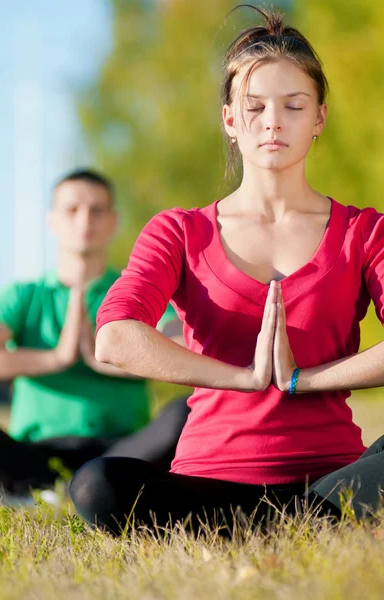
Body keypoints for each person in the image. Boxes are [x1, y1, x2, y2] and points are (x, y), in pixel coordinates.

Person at [70, 6, 384, 536]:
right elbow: (115, 337)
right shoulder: (180, 230)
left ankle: (294, 520)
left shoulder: (364, 231)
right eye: (255, 106)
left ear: (319, 119)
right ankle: (297, 526)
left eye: (294, 105)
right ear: (230, 120)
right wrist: (244, 379)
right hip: (210, 482)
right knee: (96, 484)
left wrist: (300, 380)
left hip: (332, 476)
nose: (273, 122)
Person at [0, 169, 189, 494]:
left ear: (113, 222)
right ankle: (35, 489)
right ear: (52, 221)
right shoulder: (23, 296)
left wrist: (110, 359)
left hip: (119, 452)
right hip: (31, 455)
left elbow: (186, 346)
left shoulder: (137, 292)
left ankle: (85, 487)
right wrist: (56, 358)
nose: (85, 221)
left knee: (186, 411)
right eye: (72, 210)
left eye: (97, 210)